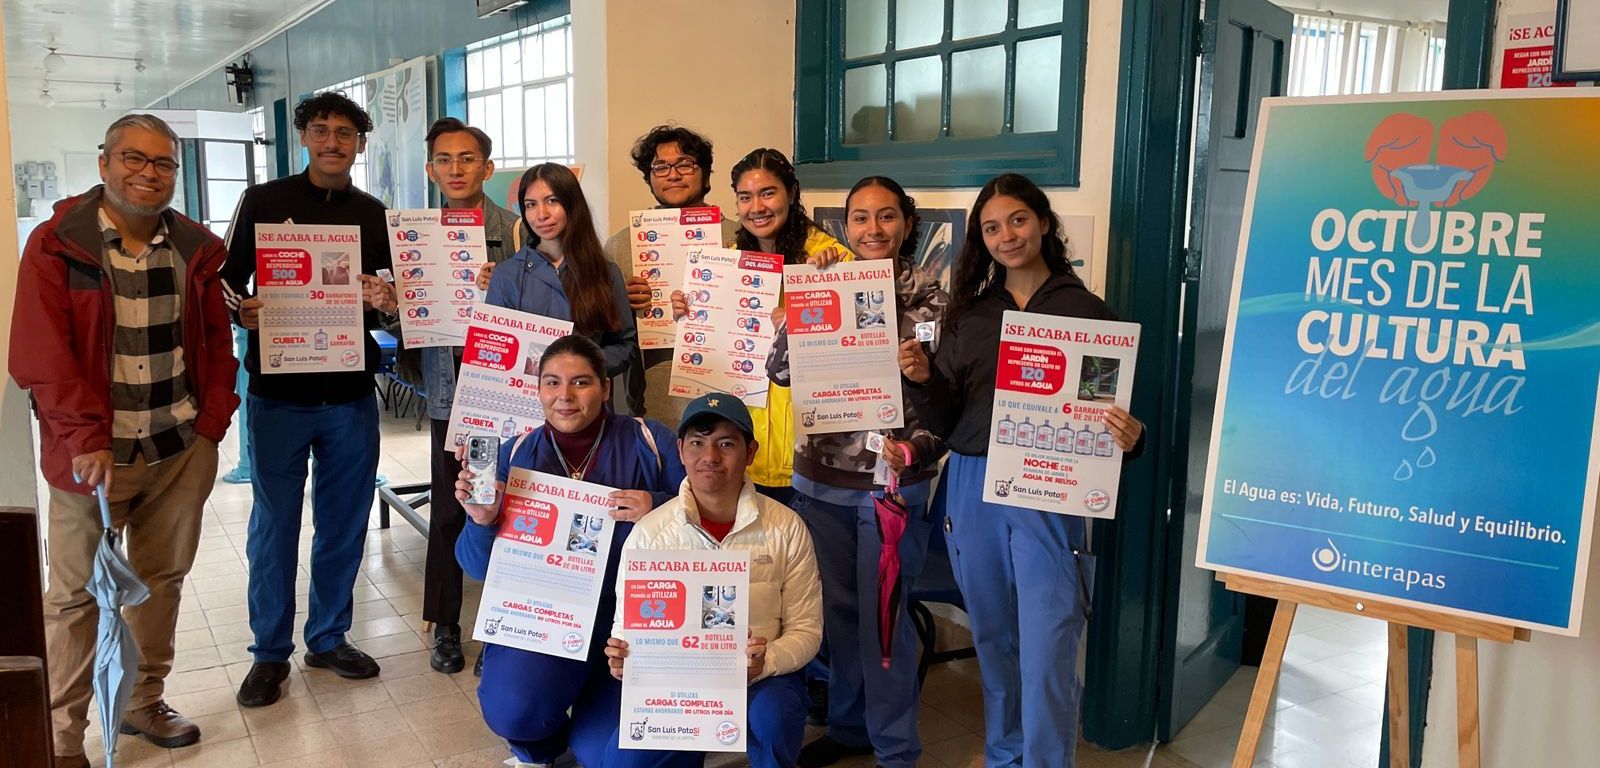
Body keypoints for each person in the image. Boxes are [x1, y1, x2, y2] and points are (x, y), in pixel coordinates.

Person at [9, 114, 239, 768]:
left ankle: (143, 701)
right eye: (133, 158)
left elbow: (216, 341)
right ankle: (61, 737)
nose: (147, 173)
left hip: (178, 449)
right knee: (75, 597)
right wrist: (83, 436)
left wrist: (212, 425)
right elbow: (40, 353)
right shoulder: (58, 245)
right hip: (92, 459)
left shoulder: (193, 247)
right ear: (105, 162)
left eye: (162, 163)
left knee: (160, 583)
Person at [899, 173, 1146, 768]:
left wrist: (1131, 438)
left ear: (1042, 223)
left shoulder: (1088, 314)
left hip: (1049, 486)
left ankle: (1046, 761)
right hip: (972, 485)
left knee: (1049, 640)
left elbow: (1107, 416)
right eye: (991, 228)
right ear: (981, 240)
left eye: (1017, 220)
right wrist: (924, 381)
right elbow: (945, 415)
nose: (1006, 236)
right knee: (993, 635)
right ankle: (1005, 756)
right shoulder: (970, 314)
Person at [221, 92, 399, 708]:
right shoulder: (263, 202)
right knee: (274, 527)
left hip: (349, 395)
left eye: (344, 133)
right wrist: (242, 310)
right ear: (303, 137)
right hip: (278, 394)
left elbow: (396, 296)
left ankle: (328, 637)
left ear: (360, 144)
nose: (332, 142)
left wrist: (386, 298)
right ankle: (269, 653)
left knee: (343, 523)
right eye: (320, 130)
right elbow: (223, 280)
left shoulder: (374, 215)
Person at [767, 177, 948, 768]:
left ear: (907, 224)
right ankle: (849, 729)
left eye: (887, 216)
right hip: (821, 481)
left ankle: (895, 749)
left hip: (892, 486)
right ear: (845, 227)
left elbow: (949, 401)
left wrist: (914, 449)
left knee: (884, 622)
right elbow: (780, 371)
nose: (874, 229)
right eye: (861, 218)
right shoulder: (825, 283)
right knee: (839, 616)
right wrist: (808, 295)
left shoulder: (933, 301)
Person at [454, 334, 686, 767]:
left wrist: (659, 505)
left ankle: (592, 723)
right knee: (514, 709)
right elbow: (477, 567)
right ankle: (541, 750)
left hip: (632, 625)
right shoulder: (515, 453)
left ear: (605, 388)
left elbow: (705, 517)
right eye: (552, 383)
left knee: (603, 755)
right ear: (538, 390)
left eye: (581, 382)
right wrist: (482, 521)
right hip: (548, 620)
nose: (565, 396)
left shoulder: (648, 440)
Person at [597, 394, 823, 768]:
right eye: (698, 443)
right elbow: (627, 627)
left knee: (774, 715)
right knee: (620, 763)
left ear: (750, 452)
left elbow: (807, 630)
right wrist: (624, 660)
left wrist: (765, 661)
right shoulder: (650, 533)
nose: (710, 457)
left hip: (761, 680)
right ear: (680, 450)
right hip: (676, 685)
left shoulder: (786, 527)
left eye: (726, 444)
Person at [669, 148, 850, 507]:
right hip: (745, 451)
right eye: (745, 197)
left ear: (791, 193)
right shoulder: (727, 261)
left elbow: (852, 358)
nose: (757, 207)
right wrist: (690, 316)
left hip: (810, 454)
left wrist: (819, 299)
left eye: (768, 193)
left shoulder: (831, 260)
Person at [416, 117, 522, 675]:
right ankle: (446, 625)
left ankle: (506, 628)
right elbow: (409, 321)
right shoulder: (415, 235)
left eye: (467, 158)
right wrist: (391, 301)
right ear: (431, 170)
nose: (455, 169)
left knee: (513, 507)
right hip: (449, 389)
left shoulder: (518, 231)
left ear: (487, 167)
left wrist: (503, 284)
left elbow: (544, 307)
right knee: (452, 507)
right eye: (444, 159)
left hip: (509, 392)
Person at [601, 124, 741, 420]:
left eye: (685, 164)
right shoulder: (621, 245)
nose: (673, 175)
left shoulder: (740, 237)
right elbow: (604, 331)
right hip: (653, 399)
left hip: (731, 394)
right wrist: (621, 303)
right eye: (661, 167)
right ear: (649, 177)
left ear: (706, 174)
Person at [484, 163, 636, 380]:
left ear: (572, 204)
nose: (541, 214)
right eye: (530, 205)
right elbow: (493, 352)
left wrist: (583, 366)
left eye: (552, 201)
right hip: (525, 398)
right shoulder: (506, 276)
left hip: (586, 395)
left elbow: (624, 345)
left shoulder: (605, 272)